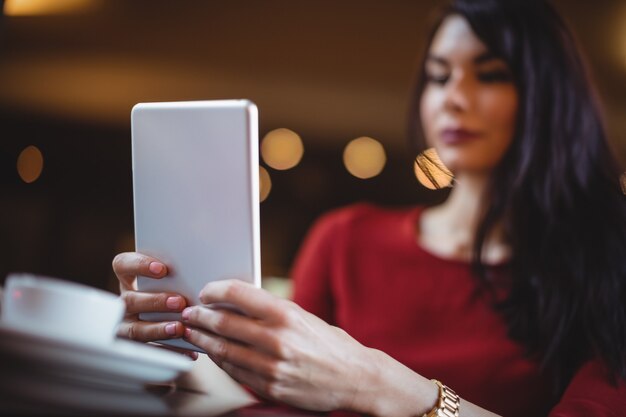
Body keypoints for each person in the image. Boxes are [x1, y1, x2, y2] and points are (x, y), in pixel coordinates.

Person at [112, 0, 626, 416]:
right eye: (439, 76)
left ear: (548, 96)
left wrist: (375, 384)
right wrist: (171, 339)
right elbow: (269, 397)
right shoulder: (345, 237)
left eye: (489, 75)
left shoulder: (605, 264)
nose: (454, 97)